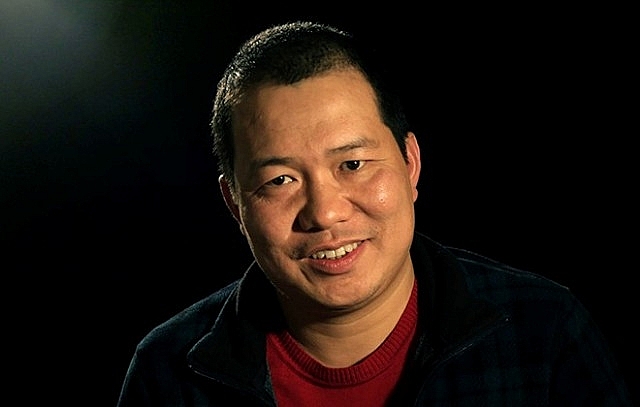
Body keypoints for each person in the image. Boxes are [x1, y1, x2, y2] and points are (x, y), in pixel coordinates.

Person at [116, 21, 633, 406]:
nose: (325, 212)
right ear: (235, 203)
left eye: (353, 164)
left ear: (410, 163)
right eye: (280, 180)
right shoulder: (168, 375)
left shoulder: (545, 334)